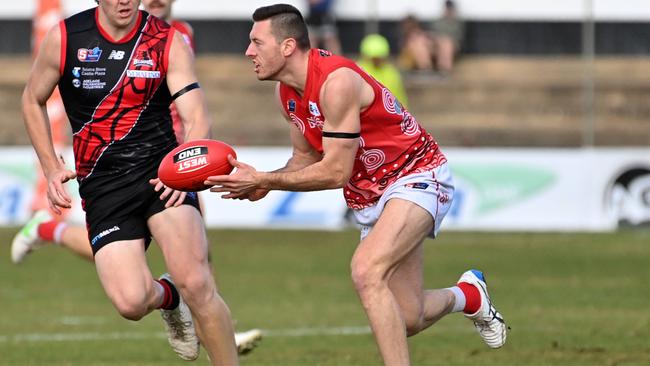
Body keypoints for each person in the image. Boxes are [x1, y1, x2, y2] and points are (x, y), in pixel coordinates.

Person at [206, 4, 508, 365]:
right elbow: (304, 160)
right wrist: (264, 184)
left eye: (256, 42)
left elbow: (336, 172)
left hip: (416, 175)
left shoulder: (336, 82)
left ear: (287, 46)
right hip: (371, 197)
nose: (248, 52)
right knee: (408, 317)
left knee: (366, 271)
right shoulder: (286, 93)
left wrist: (269, 179)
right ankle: (469, 296)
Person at [12, 0, 262, 355]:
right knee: (131, 302)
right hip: (103, 184)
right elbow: (31, 100)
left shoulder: (166, 39)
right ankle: (170, 297)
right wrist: (51, 165)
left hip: (161, 176)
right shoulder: (67, 37)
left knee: (198, 281)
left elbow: (195, 116)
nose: (126, 0)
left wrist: (185, 172)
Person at [357, 33, 409, 107]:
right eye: (374, 58)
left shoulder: (391, 73)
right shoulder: (358, 70)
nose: (377, 61)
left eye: (379, 58)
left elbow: (400, 101)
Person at [430, 0, 464, 74]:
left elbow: (457, 38)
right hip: (436, 44)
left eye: (450, 8)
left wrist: (443, 40)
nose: (448, 10)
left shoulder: (457, 22)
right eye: (447, 8)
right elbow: (433, 34)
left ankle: (445, 69)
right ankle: (425, 69)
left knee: (446, 43)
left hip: (451, 45)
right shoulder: (438, 22)